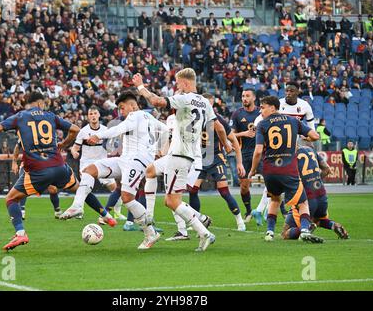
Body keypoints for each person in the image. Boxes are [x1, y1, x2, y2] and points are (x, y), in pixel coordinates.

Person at [0, 92, 81, 251]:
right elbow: (75, 129)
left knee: (12, 197)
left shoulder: (22, 118)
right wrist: (63, 145)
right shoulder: (49, 116)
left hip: (36, 166)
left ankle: (22, 231)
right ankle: (102, 213)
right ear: (40, 103)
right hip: (52, 163)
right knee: (78, 189)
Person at [60, 89, 167, 250]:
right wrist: (159, 150)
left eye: (122, 108)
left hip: (137, 161)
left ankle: (150, 231)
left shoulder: (135, 115)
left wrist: (99, 136)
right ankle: (77, 206)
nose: (120, 112)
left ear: (132, 106)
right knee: (90, 170)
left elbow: (119, 129)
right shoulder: (150, 117)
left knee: (127, 198)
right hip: (126, 159)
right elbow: (165, 131)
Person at [134, 68, 217, 252]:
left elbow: (156, 101)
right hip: (181, 154)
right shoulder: (205, 102)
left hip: (180, 155)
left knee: (172, 201)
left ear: (186, 83)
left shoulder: (186, 98)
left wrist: (140, 86)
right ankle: (149, 215)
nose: (176, 88)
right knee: (151, 170)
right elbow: (215, 125)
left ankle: (204, 232)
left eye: (178, 84)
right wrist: (226, 144)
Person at [166, 93, 246, 241]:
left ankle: (239, 220)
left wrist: (239, 161)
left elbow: (232, 138)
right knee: (193, 190)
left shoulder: (217, 120)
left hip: (215, 158)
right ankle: (198, 221)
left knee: (224, 191)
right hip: (199, 158)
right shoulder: (191, 116)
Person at [248, 95, 321, 242]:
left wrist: (253, 170)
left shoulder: (262, 124)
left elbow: (257, 151)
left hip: (270, 171)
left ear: (273, 107)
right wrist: (307, 139)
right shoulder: (293, 121)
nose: (261, 111)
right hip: (289, 170)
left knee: (274, 200)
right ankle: (305, 230)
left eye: (263, 107)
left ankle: (269, 233)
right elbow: (315, 135)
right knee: (303, 202)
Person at [70, 106, 126, 223]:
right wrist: (74, 152)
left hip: (102, 163)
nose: (93, 116)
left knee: (115, 188)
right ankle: (79, 211)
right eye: (91, 114)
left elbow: (113, 146)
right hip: (87, 163)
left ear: (99, 115)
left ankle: (117, 212)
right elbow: (75, 148)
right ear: (88, 117)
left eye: (95, 113)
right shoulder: (83, 132)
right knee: (85, 188)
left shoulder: (106, 130)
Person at [282, 144, 349, 241]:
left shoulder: (290, 155)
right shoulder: (310, 149)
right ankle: (333, 225)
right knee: (317, 220)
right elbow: (327, 170)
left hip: (306, 197)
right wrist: (313, 180)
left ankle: (305, 229)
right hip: (321, 195)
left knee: (285, 233)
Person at [230, 89, 261, 221]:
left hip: (261, 152)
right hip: (245, 154)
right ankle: (248, 211)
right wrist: (244, 134)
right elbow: (230, 135)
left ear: (254, 98)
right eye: (243, 96)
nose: (244, 98)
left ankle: (282, 210)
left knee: (273, 182)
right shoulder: (237, 114)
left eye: (247, 96)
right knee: (243, 186)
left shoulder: (261, 112)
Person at [12, 142, 62, 220]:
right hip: (28, 165)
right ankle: (21, 211)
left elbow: (54, 150)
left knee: (53, 189)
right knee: (23, 188)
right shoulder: (25, 132)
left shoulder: (47, 135)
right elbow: (17, 146)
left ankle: (57, 210)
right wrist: (14, 162)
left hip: (43, 165)